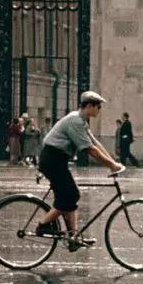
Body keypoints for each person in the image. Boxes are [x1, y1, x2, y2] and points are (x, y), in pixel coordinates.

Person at [33, 91, 124, 249]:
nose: (99, 110)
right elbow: (90, 150)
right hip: (52, 160)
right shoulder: (75, 121)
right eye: (98, 106)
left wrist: (113, 162)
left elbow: (95, 144)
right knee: (71, 195)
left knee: (69, 196)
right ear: (89, 106)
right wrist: (111, 165)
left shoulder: (81, 121)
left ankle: (73, 237)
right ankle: (43, 224)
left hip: (57, 160)